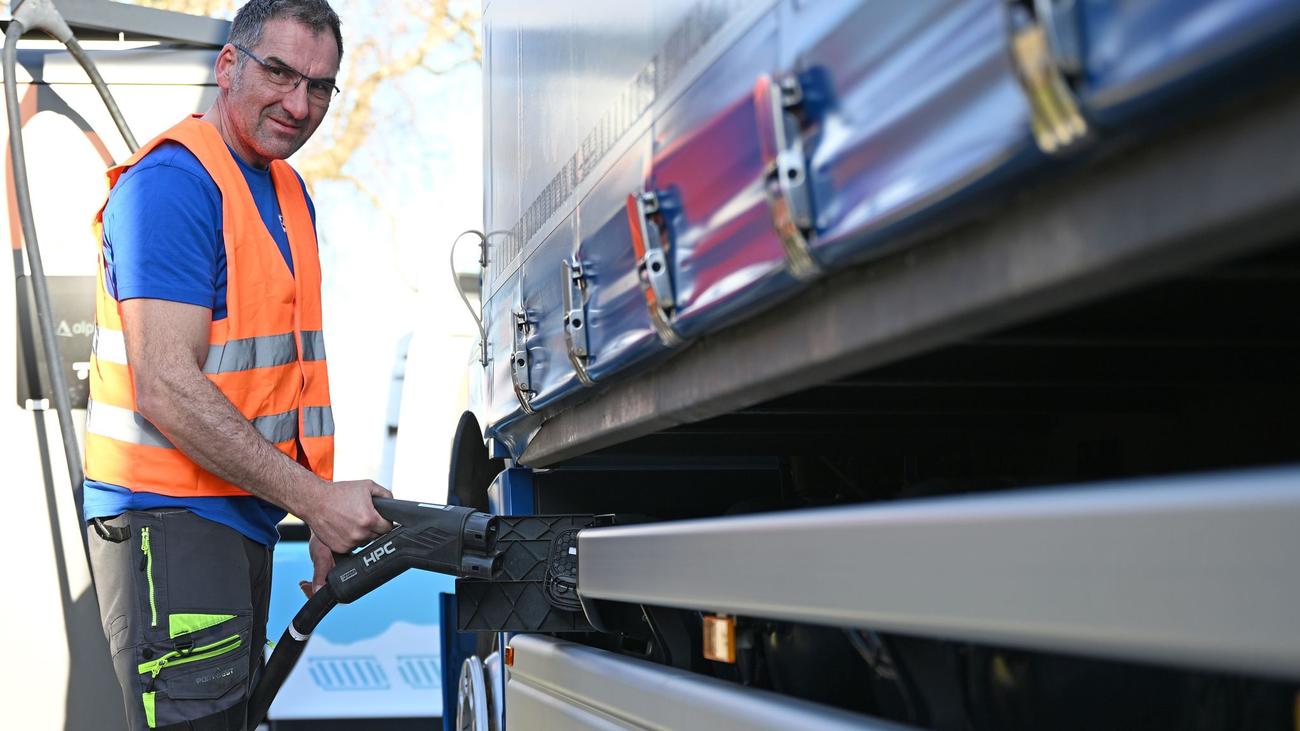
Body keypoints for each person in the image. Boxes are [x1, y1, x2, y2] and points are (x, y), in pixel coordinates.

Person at [82, 1, 390, 728]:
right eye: (280, 72)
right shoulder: (173, 186)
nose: (298, 102)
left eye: (319, 86)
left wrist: (319, 512)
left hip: (235, 523)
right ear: (228, 66)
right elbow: (165, 384)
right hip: (169, 527)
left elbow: (292, 378)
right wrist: (317, 501)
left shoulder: (287, 192)